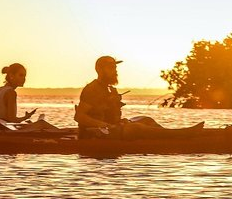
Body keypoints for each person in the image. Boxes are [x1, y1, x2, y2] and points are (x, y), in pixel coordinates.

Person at [74, 55, 205, 139]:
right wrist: (104, 125)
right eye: (111, 67)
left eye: (115, 67)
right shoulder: (92, 89)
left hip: (112, 129)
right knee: (136, 128)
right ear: (100, 70)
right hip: (96, 133)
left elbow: (111, 114)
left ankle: (169, 137)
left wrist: (119, 121)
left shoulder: (110, 89)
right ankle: (181, 135)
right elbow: (79, 117)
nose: (115, 70)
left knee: (146, 120)